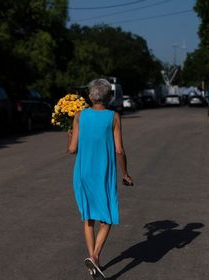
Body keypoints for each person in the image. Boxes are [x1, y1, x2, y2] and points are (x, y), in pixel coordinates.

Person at [67, 78, 133, 279]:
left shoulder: (79, 115)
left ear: (89, 96)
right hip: (103, 172)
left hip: (83, 172)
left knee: (88, 217)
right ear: (109, 97)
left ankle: (92, 262)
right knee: (107, 217)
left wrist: (69, 135)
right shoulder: (113, 117)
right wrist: (125, 173)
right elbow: (119, 150)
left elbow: (72, 149)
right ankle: (95, 256)